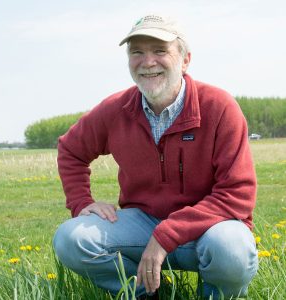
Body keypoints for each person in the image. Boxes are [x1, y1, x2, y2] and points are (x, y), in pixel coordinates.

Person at [53, 14, 258, 299]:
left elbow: (237, 195)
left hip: (209, 229)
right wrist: (81, 202)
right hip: (143, 224)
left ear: (185, 60)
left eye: (160, 51)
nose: (148, 62)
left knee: (233, 248)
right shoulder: (116, 109)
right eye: (137, 52)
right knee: (70, 239)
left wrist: (166, 236)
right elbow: (70, 149)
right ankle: (145, 291)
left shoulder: (220, 107)